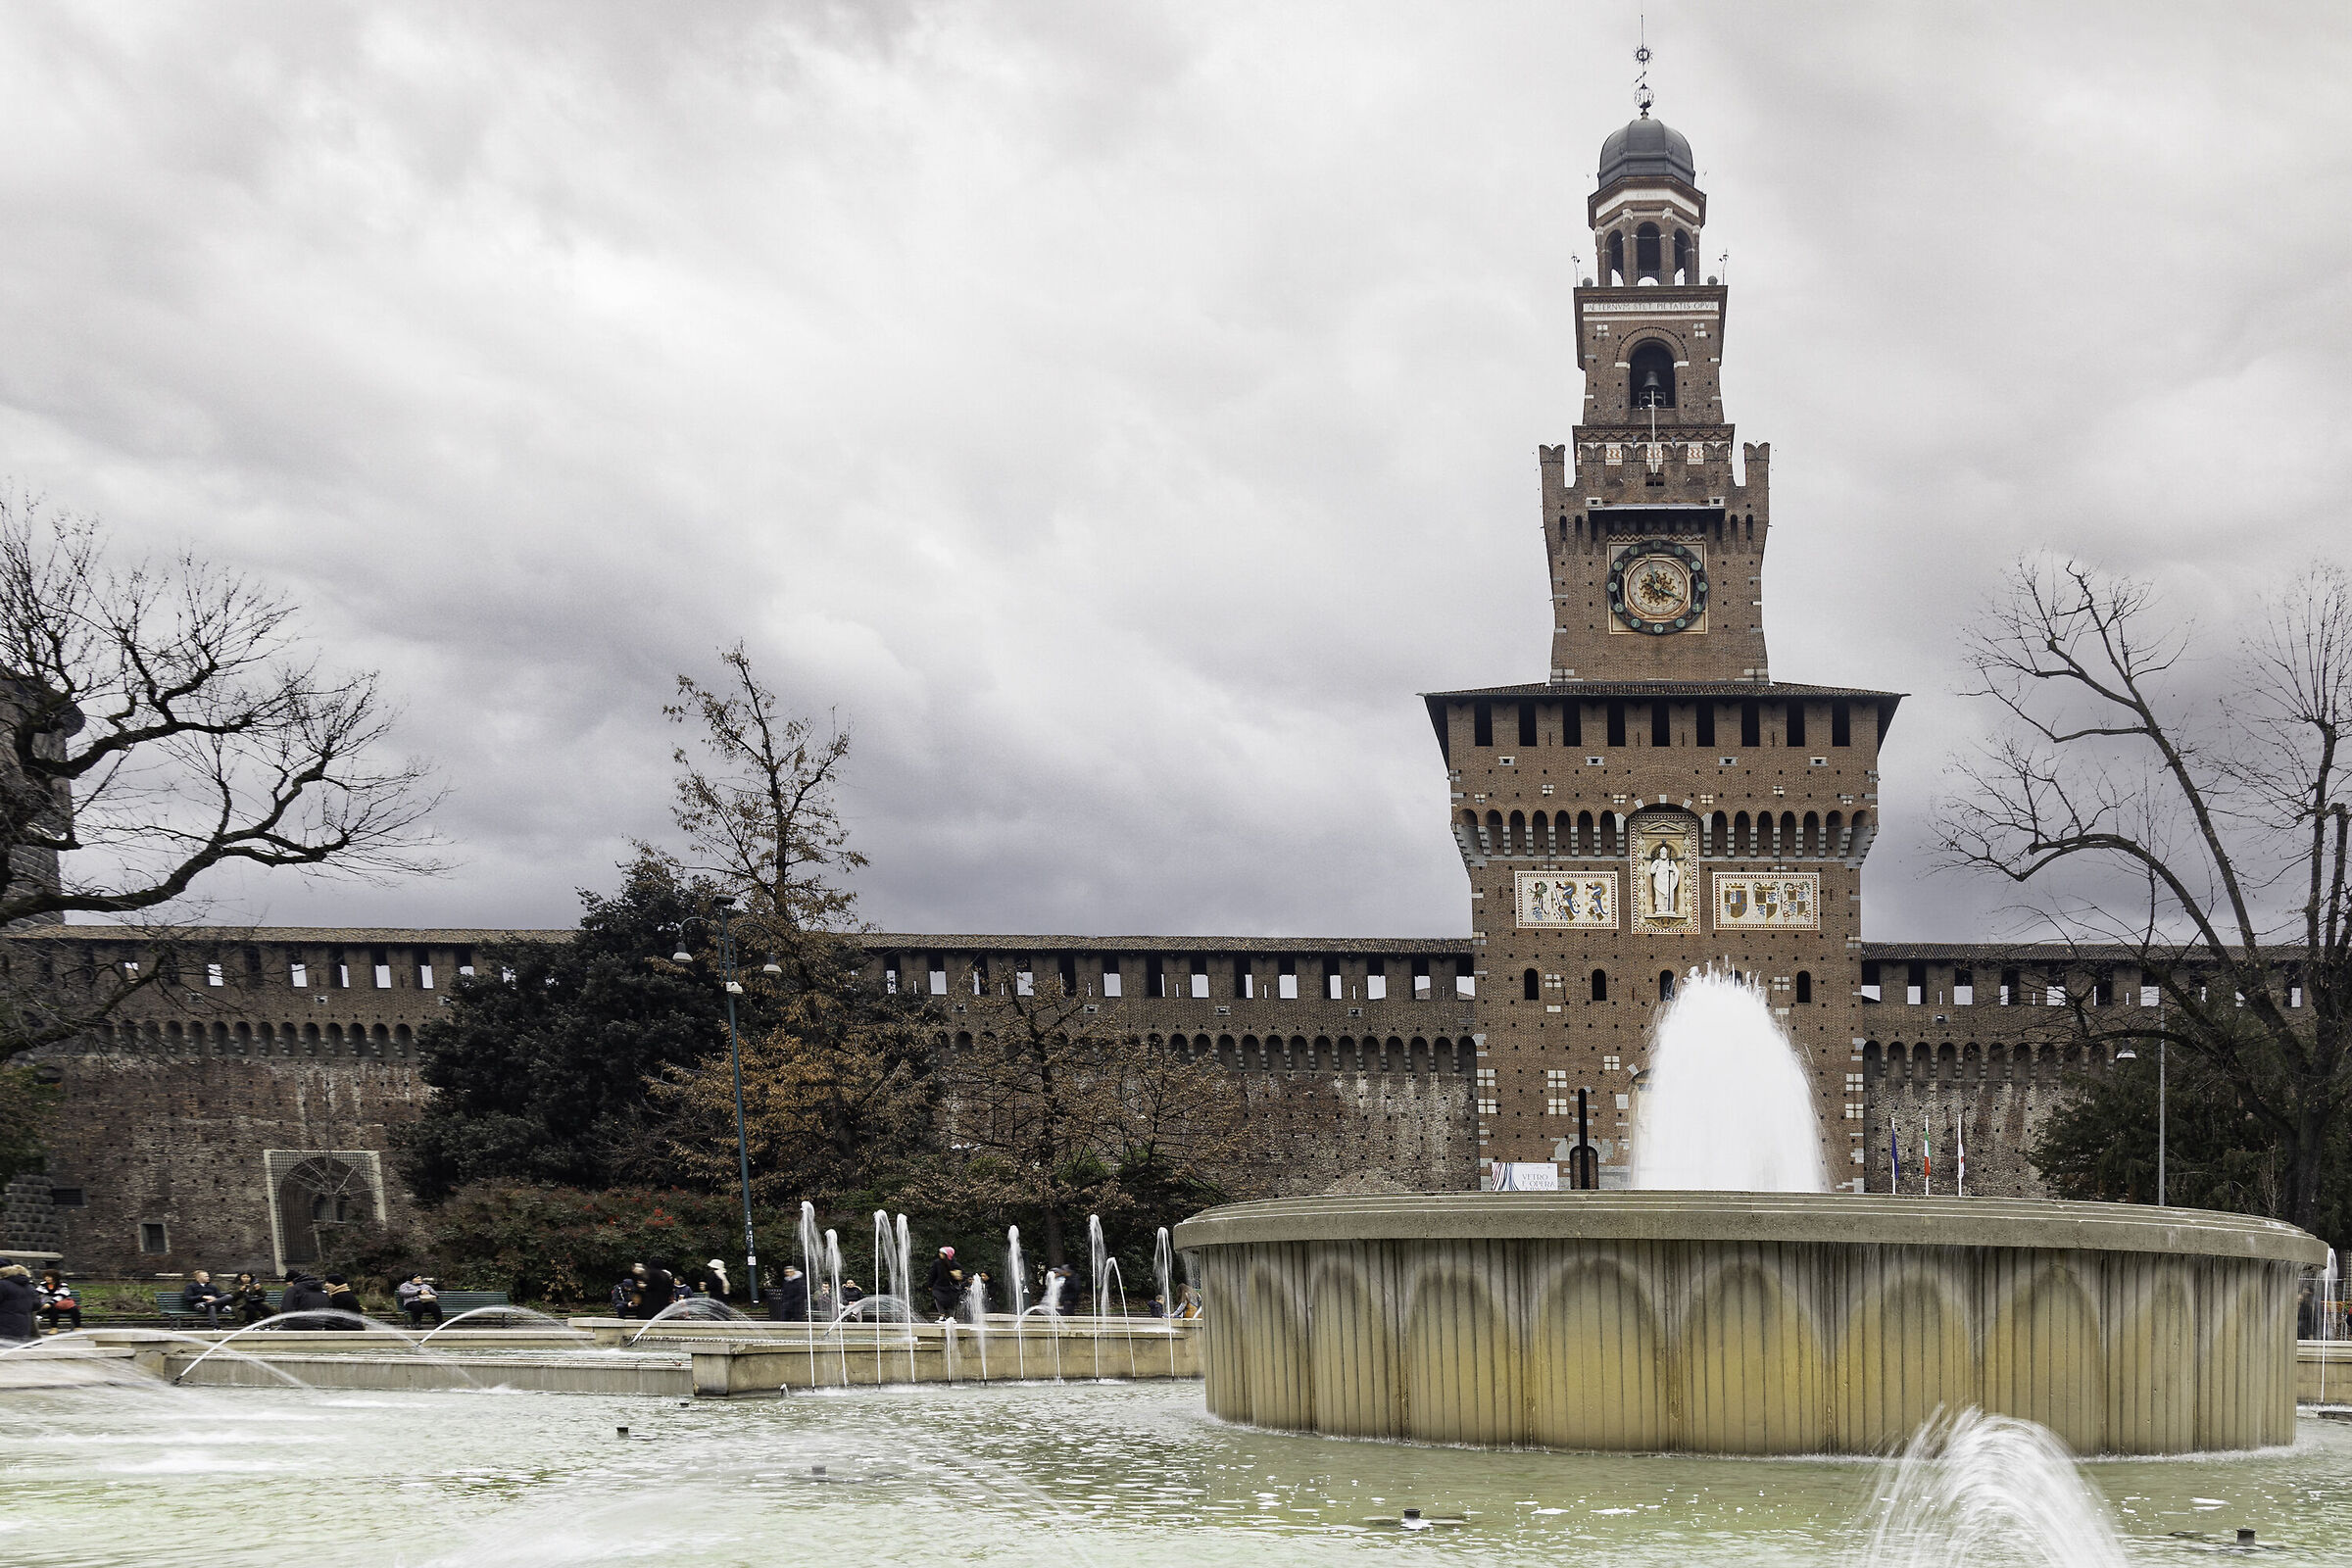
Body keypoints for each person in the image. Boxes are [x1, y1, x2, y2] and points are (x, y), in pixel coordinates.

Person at [0, 1264, 37, 1343]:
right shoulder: (30, 1287)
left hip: (4, 1327)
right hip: (23, 1329)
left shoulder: (2, 1284)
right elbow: (37, 1305)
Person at [926, 1247, 963, 1321]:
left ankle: (951, 1317)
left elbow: (963, 1274)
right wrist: (930, 1284)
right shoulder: (937, 1263)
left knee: (951, 1301)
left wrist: (958, 1276)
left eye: (942, 1253)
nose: (940, 1255)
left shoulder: (955, 1264)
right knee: (938, 1299)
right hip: (939, 1286)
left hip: (951, 1287)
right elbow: (932, 1274)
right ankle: (942, 1315)